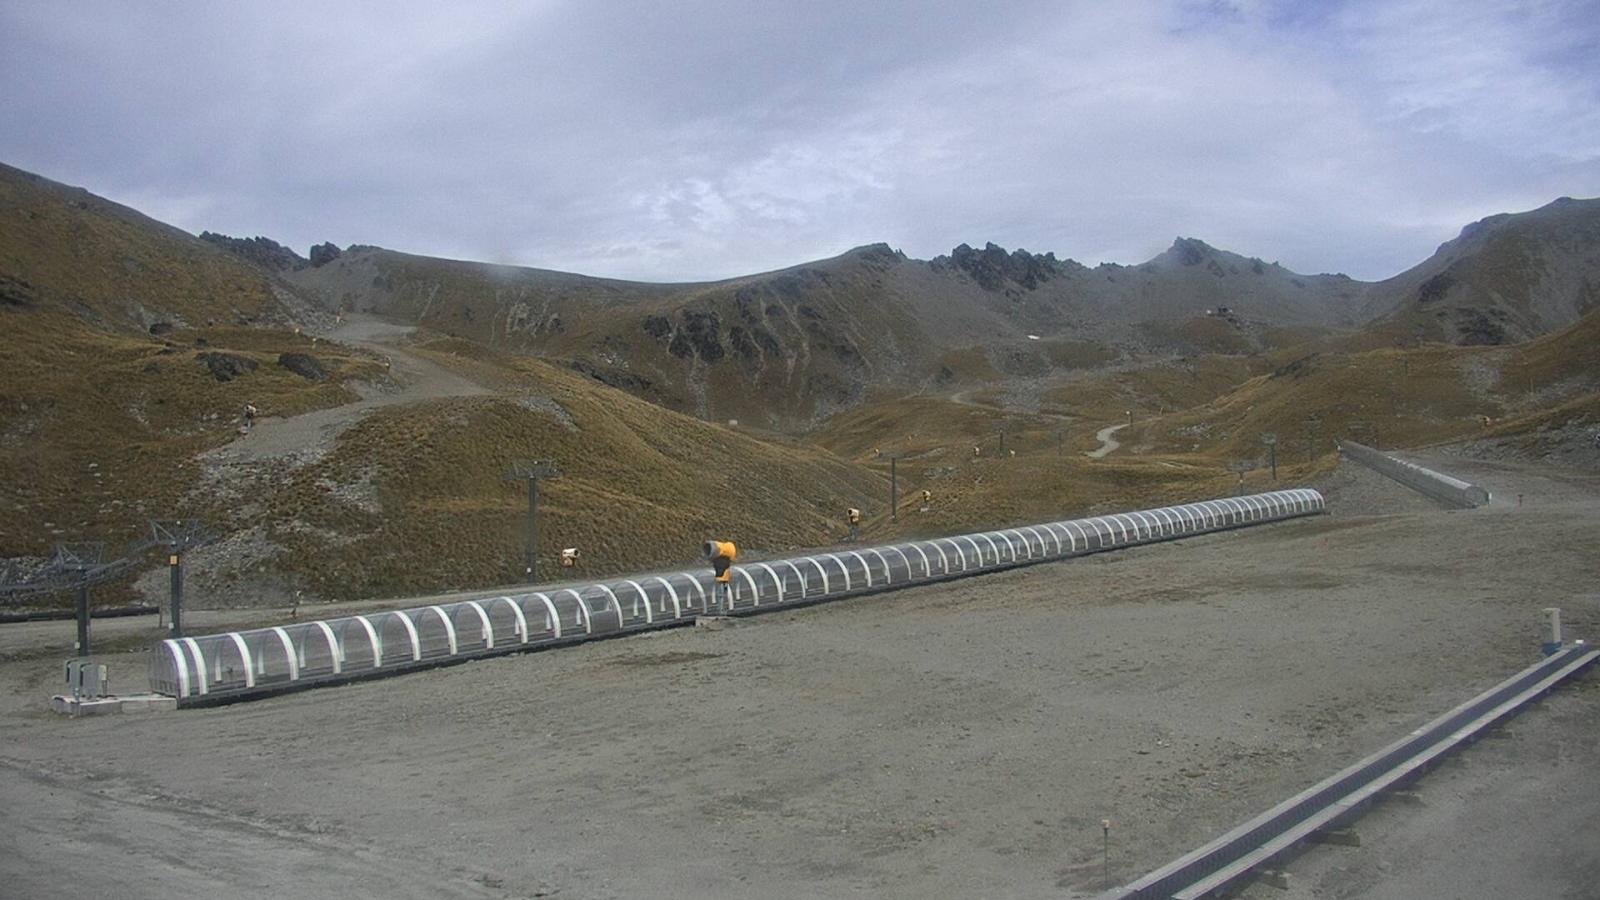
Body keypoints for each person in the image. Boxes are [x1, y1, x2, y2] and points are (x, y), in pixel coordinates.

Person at [703, 540, 737, 613]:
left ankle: (722, 608)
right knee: (721, 590)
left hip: (722, 575)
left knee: (722, 591)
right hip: (722, 574)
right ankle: (721, 608)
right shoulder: (724, 555)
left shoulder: (722, 558)